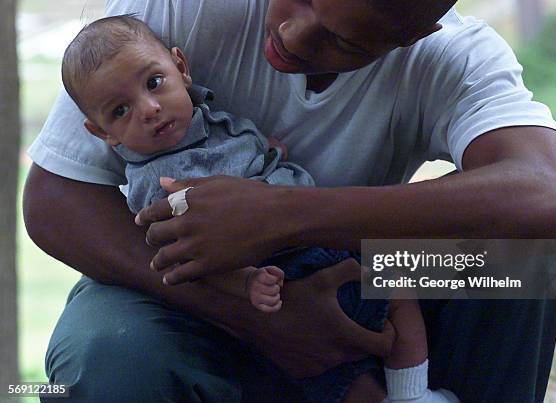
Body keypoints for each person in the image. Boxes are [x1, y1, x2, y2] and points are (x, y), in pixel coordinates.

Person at [24, 0, 556, 402]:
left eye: (344, 41)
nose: (291, 33)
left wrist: (283, 216)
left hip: (347, 273)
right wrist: (259, 316)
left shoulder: (452, 57)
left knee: (524, 265)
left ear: (414, 31)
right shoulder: (189, 8)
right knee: (107, 352)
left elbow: (548, 197)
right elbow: (53, 199)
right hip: (186, 283)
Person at [58, 15, 457, 402]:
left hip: (327, 242)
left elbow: (520, 200)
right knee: (341, 377)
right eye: (120, 111)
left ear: (181, 68)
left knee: (479, 271)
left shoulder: (207, 119)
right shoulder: (158, 181)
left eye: (154, 83)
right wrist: (245, 284)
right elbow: (182, 258)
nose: (148, 108)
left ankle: (413, 393)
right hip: (279, 273)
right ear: (102, 133)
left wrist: (270, 157)